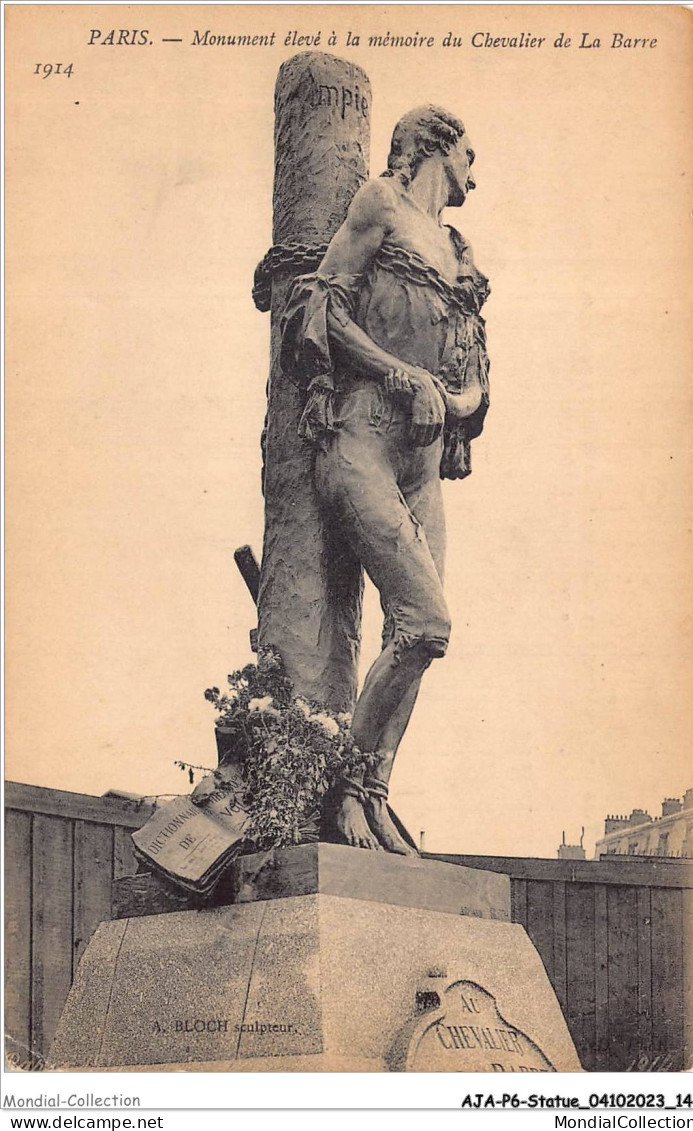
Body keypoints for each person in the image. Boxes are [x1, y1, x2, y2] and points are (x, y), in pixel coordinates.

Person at [280, 106, 490, 854]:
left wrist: (462, 397)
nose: (477, 169)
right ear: (436, 145)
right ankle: (346, 787)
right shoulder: (380, 203)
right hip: (361, 438)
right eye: (470, 152)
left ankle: (371, 795)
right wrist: (401, 373)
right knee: (427, 619)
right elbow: (323, 305)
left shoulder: (460, 251)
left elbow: (470, 368)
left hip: (423, 465)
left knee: (419, 636)